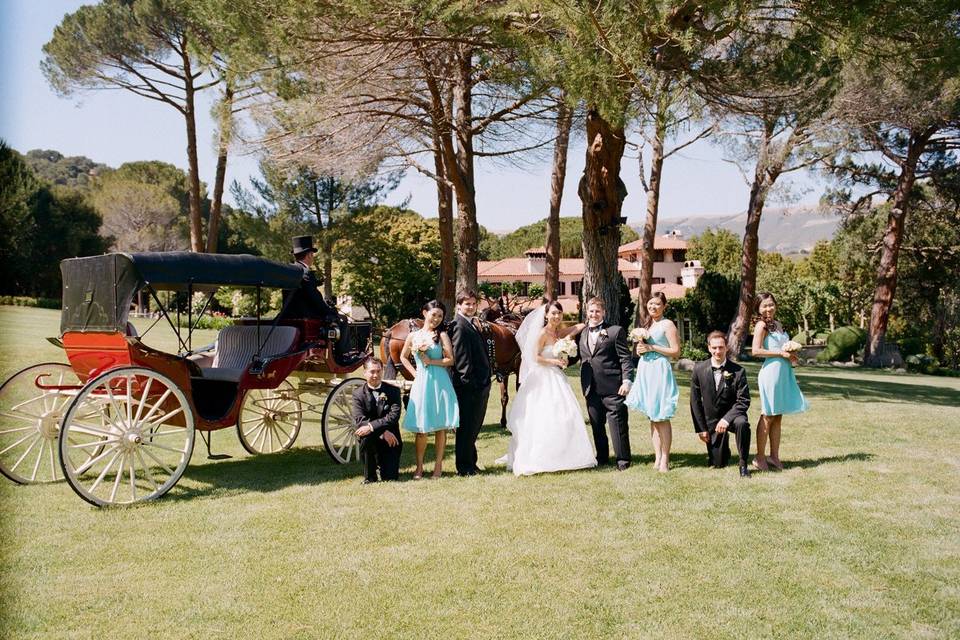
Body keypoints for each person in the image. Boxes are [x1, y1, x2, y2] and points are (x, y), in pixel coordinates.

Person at [503, 300, 594, 476]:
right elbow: (534, 357)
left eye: (559, 313)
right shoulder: (542, 333)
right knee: (544, 416)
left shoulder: (558, 332)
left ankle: (563, 455)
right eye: (553, 313)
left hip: (556, 377)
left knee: (564, 415)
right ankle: (539, 457)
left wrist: (585, 324)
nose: (556, 316)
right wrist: (554, 361)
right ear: (546, 315)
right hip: (543, 378)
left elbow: (576, 328)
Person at [400, 300, 459, 479]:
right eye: (434, 314)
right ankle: (419, 467)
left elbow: (450, 360)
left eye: (440, 316)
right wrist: (415, 373)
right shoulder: (413, 336)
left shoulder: (442, 336)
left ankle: (438, 466)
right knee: (421, 428)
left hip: (440, 382)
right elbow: (403, 357)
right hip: (422, 383)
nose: (437, 319)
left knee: (440, 427)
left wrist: (431, 362)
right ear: (425, 313)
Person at [752, 292, 809, 471]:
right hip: (771, 373)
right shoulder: (761, 325)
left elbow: (783, 347)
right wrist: (780, 353)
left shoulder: (778, 324)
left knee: (778, 416)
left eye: (771, 304)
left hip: (784, 372)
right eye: (764, 306)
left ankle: (774, 456)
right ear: (758, 309)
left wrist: (791, 356)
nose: (768, 309)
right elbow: (756, 351)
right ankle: (759, 458)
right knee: (768, 414)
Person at [577, 297, 635, 470]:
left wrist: (627, 381)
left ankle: (623, 460)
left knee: (618, 425)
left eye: (597, 311)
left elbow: (625, 359)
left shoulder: (615, 331)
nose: (594, 314)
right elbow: (580, 356)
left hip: (614, 387)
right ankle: (602, 458)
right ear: (587, 312)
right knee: (596, 426)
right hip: (590, 387)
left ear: (604, 312)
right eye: (591, 311)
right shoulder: (582, 333)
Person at [625, 292, 681, 472]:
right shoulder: (648, 324)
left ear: (664, 306)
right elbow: (644, 349)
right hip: (646, 369)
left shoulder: (667, 324)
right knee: (652, 415)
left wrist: (652, 347)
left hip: (659, 370)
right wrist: (642, 350)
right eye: (650, 304)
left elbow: (675, 351)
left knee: (661, 416)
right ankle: (657, 456)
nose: (653, 307)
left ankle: (665, 458)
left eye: (657, 304)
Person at [690, 331, 752, 477]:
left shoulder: (738, 371)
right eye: (714, 348)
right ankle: (723, 451)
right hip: (712, 420)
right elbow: (695, 401)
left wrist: (726, 419)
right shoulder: (699, 369)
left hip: (732, 417)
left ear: (727, 348)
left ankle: (743, 464)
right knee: (718, 463)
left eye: (721, 347)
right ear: (709, 348)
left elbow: (744, 400)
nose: (718, 351)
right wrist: (701, 428)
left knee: (742, 423)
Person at [448, 289, 492, 476]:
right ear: (459, 305)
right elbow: (462, 359)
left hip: (480, 384)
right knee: (466, 428)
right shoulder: (459, 326)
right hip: (469, 388)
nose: (471, 307)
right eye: (467, 304)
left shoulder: (471, 323)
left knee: (473, 428)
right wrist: (472, 385)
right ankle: (464, 468)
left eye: (474, 304)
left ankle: (471, 463)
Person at [352, 357, 403, 483]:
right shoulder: (358, 394)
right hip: (373, 438)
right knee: (365, 436)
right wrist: (381, 432)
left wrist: (371, 427)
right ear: (365, 373)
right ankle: (370, 476)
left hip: (392, 439)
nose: (375, 375)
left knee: (390, 478)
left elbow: (393, 417)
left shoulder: (393, 391)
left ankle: (384, 467)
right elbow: (360, 419)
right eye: (372, 371)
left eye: (378, 371)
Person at [281, 235, 337, 320]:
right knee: (342, 320)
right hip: (305, 318)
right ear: (309, 255)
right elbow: (316, 301)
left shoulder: (290, 272)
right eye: (312, 254)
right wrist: (332, 311)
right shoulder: (306, 273)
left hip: (287, 317)